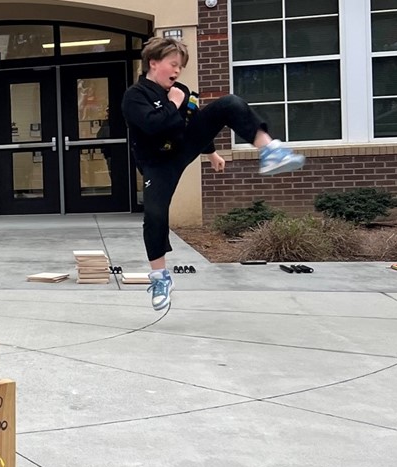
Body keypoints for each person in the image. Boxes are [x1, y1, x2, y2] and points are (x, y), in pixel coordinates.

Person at [122, 36, 305, 310]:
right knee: (155, 213)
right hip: (158, 162)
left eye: (181, 66)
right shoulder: (135, 96)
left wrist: (210, 152)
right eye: (173, 65)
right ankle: (160, 277)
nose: (177, 71)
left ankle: (269, 149)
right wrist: (173, 103)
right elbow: (153, 126)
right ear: (153, 62)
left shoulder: (180, 90)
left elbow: (193, 123)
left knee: (229, 103)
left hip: (183, 146)